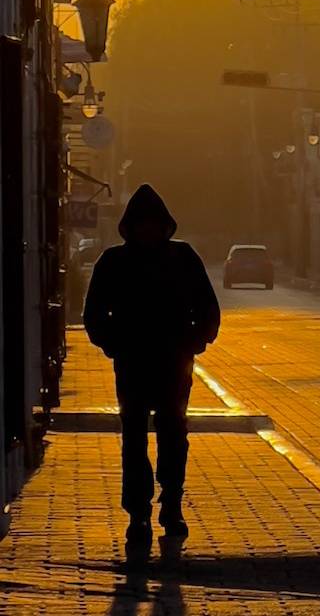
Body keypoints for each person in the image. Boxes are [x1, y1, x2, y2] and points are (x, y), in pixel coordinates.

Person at [83, 185, 221, 560]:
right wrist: (114, 344)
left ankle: (171, 502)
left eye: (153, 225)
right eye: (142, 225)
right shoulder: (114, 263)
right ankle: (139, 512)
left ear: (164, 227)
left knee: (174, 434)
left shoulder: (182, 259)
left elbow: (208, 310)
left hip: (173, 362)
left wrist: (194, 342)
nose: (148, 232)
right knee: (134, 437)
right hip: (133, 363)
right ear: (131, 227)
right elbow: (94, 315)